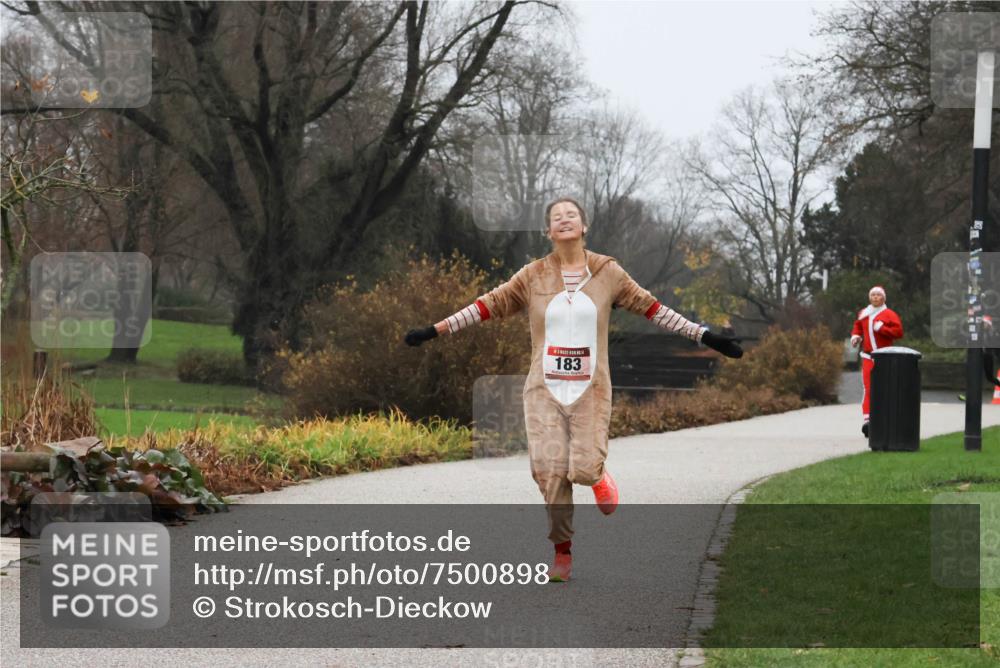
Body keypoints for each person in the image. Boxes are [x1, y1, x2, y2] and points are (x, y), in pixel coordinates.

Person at [404, 197, 742, 582]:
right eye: (556, 218)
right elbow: (486, 305)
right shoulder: (532, 276)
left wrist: (706, 336)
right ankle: (562, 552)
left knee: (581, 468)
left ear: (584, 227)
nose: (564, 220)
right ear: (548, 232)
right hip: (543, 389)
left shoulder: (607, 273)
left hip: (590, 390)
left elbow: (653, 309)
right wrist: (434, 330)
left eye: (571, 215)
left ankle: (597, 476)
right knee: (549, 472)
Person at [850, 285, 903, 437]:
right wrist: (856, 337)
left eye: (878, 295)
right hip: (868, 357)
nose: (875, 297)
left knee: (885, 388)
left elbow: (899, 332)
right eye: (872, 295)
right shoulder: (863, 313)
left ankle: (885, 419)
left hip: (885, 356)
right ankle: (868, 421)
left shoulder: (889, 314)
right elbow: (858, 327)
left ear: (883, 298)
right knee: (868, 388)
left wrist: (883, 329)